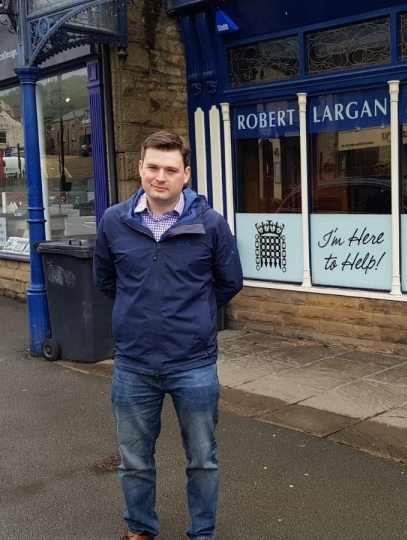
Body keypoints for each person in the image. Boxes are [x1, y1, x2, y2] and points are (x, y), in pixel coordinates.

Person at [93, 131, 243, 540]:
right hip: (133, 364)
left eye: (171, 169)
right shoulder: (113, 221)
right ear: (140, 167)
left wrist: (194, 316)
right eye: (153, 167)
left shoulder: (209, 224)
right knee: (135, 460)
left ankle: (203, 532)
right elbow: (106, 280)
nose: (161, 177)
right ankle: (140, 529)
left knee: (202, 459)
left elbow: (229, 282)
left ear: (186, 175)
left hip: (192, 363)